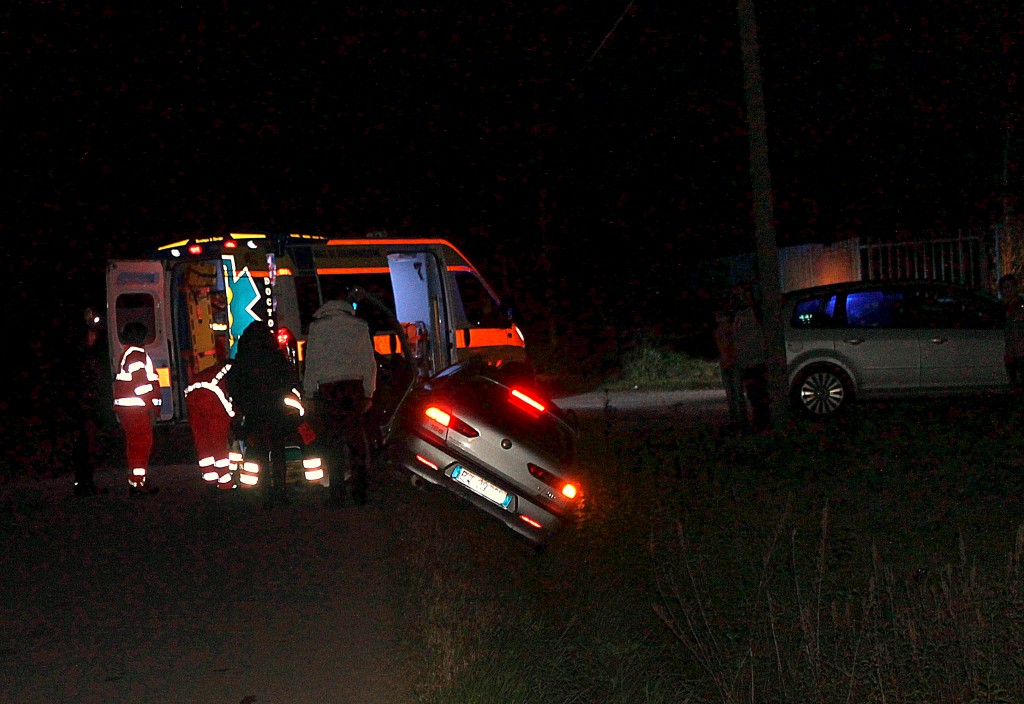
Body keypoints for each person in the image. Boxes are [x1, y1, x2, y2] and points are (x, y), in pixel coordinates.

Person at [303, 294, 378, 507]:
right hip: (354, 388)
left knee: (333, 442)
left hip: (328, 389)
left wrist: (309, 393)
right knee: (356, 441)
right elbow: (368, 362)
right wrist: (368, 392)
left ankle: (336, 494)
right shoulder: (359, 326)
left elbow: (312, 363)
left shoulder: (317, 328)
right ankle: (360, 492)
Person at [225, 322, 302, 508]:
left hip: (253, 410)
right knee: (277, 451)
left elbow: (233, 384)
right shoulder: (275, 356)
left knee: (258, 451)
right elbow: (291, 379)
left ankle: (266, 493)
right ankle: (280, 493)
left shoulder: (243, 358)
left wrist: (243, 404)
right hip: (275, 408)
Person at [113, 322, 161, 495]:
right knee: (141, 445)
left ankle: (137, 481)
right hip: (137, 409)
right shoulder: (136, 355)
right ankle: (138, 484)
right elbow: (141, 385)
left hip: (130, 410)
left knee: (134, 446)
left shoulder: (129, 353)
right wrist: (152, 405)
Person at [70, 308, 112, 497]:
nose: (94, 336)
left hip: (86, 406)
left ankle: (85, 483)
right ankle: (84, 484)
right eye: (91, 333)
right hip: (83, 407)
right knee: (85, 446)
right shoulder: (82, 357)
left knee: (88, 446)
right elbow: (84, 383)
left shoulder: (89, 355)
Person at [184, 360, 236, 490]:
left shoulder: (217, 369)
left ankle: (209, 478)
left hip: (191, 394)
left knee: (202, 439)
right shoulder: (235, 371)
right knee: (218, 441)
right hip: (212, 396)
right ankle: (224, 481)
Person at [731, 283, 771, 432]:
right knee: (753, 394)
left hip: (756, 360)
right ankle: (758, 421)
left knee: (758, 392)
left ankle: (763, 422)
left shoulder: (754, 313)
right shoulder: (739, 315)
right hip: (746, 360)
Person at [712, 304, 748, 430]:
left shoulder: (732, 330)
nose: (718, 319)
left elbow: (733, 346)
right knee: (731, 393)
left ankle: (741, 420)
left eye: (721, 316)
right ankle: (735, 420)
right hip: (726, 363)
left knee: (737, 393)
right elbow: (721, 348)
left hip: (733, 363)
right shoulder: (718, 331)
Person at [1000, 274, 1024, 391]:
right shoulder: (1004, 305)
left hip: (1019, 348)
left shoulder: (1020, 305)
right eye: (1005, 287)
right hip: (1011, 349)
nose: (1008, 290)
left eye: (1010, 286)